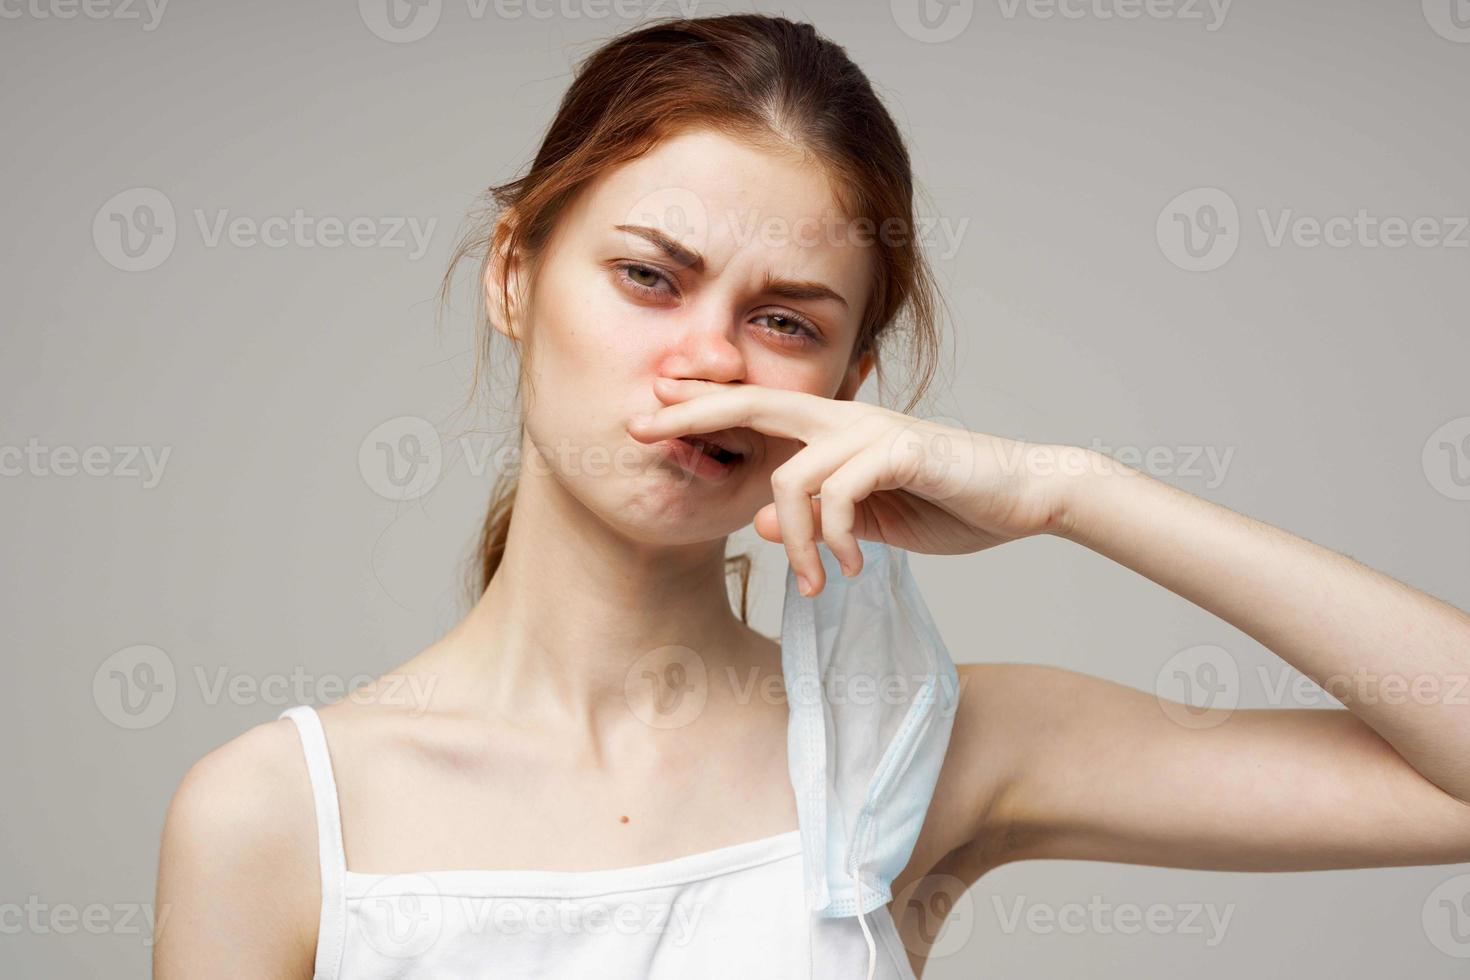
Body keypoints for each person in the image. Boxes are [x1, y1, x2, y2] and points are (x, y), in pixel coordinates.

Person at [152, 13, 1470, 979]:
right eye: (649, 279)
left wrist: (1065, 490)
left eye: (784, 320)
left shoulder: (920, 752)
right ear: (513, 274)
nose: (710, 359)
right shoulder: (274, 814)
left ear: (851, 382)